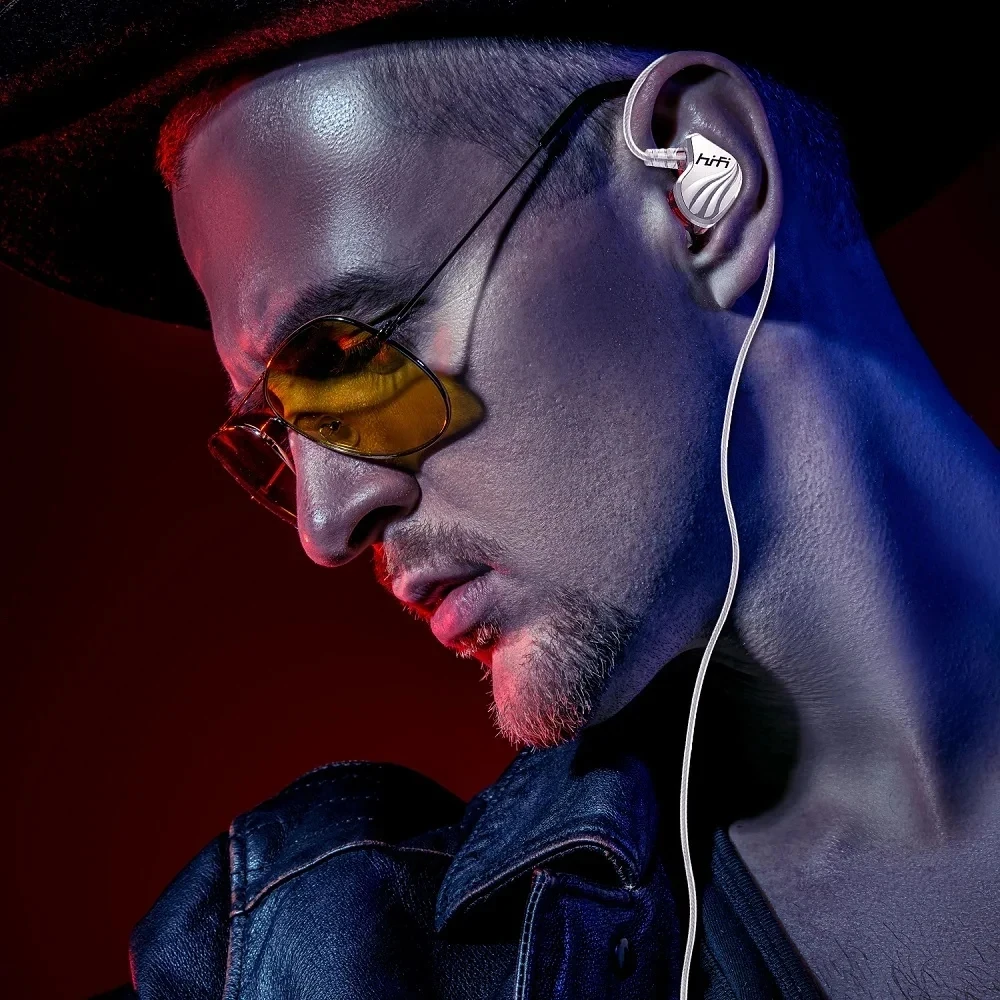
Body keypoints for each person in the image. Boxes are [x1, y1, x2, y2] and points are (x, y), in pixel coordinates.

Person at [2, 3, 997, 998]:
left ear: (701, 184)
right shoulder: (317, 965)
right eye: (281, 428)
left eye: (348, 359)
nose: (326, 524)